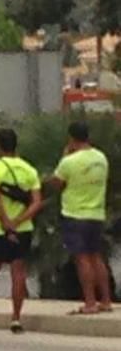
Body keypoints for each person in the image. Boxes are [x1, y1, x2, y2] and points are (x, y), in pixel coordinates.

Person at [0, 128, 43, 335]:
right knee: (18, 273)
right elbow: (37, 203)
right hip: (24, 229)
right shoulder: (28, 169)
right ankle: (16, 319)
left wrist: (5, 222)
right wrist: (19, 221)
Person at [47, 121, 112, 314]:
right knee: (96, 257)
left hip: (75, 214)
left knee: (82, 259)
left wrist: (65, 156)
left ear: (71, 138)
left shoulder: (69, 162)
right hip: (97, 213)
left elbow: (56, 184)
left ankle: (90, 302)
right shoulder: (101, 158)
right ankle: (106, 300)